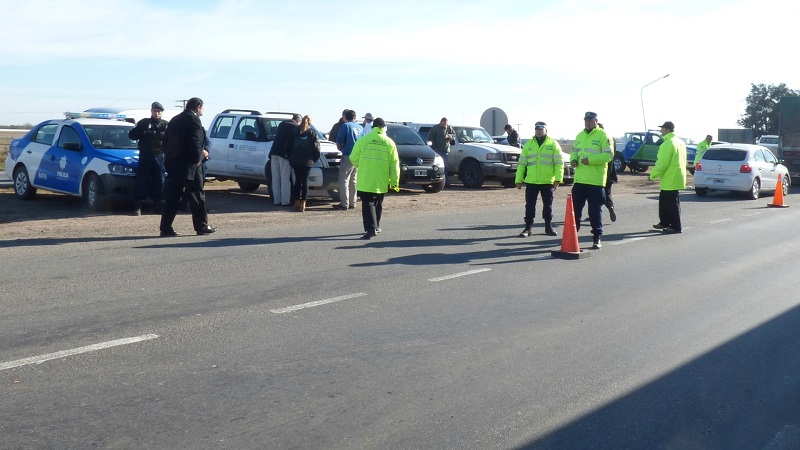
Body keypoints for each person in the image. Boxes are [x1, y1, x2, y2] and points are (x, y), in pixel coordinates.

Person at [159, 97, 216, 237]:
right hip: (190, 165)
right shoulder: (194, 120)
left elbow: (165, 142)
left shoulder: (175, 119)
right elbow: (195, 142)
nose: (202, 110)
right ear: (198, 106)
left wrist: (169, 159)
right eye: (202, 108)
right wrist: (199, 158)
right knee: (196, 195)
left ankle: (165, 227)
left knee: (173, 197)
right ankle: (201, 226)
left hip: (174, 164)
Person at [349, 117, 400, 239]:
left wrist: (361, 165)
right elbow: (394, 164)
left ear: (373, 127)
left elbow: (353, 157)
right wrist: (394, 182)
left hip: (366, 178)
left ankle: (371, 229)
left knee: (367, 204)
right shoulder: (390, 143)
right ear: (383, 128)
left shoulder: (363, 140)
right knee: (378, 203)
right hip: (381, 179)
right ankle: (376, 226)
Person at [571, 111, 613, 249]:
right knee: (575, 210)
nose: (587, 122)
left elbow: (608, 155)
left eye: (590, 120)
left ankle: (597, 237)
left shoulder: (603, 135)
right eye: (586, 120)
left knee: (594, 212)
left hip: (595, 181)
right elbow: (574, 151)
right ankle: (572, 236)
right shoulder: (580, 135)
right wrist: (573, 159)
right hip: (580, 180)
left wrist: (590, 160)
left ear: (596, 121)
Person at [515, 121, 563, 237]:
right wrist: (518, 180)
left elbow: (559, 163)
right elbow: (522, 164)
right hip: (532, 181)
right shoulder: (529, 144)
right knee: (530, 205)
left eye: (541, 129)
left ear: (546, 130)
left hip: (547, 181)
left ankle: (548, 227)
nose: (539, 131)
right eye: (537, 129)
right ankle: (528, 228)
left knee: (548, 205)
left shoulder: (553, 144)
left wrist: (558, 179)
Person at [128, 101, 168, 215]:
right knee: (142, 181)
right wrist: (143, 132)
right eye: (155, 111)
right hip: (145, 156)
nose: (157, 113)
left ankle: (158, 206)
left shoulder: (166, 125)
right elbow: (131, 135)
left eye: (159, 111)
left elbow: (172, 140)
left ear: (162, 112)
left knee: (160, 181)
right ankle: (138, 206)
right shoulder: (144, 123)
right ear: (151, 111)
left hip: (159, 156)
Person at [650, 121, 687, 234]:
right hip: (676, 176)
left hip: (670, 177)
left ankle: (676, 227)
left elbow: (662, 163)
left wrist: (653, 174)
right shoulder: (680, 142)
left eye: (662, 128)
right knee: (664, 201)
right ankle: (664, 222)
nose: (661, 130)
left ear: (667, 130)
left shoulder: (668, 144)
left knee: (671, 204)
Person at [289, 115, 321, 212]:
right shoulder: (312, 133)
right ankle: (303, 204)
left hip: (295, 159)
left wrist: (289, 156)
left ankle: (296, 202)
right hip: (307, 160)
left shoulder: (294, 131)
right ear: (310, 123)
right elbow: (316, 147)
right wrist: (315, 158)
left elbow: (288, 145)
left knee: (297, 181)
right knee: (305, 181)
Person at [334, 109, 363, 210]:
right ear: (355, 117)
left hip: (347, 155)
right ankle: (352, 202)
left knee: (344, 180)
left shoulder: (345, 126)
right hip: (358, 156)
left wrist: (340, 148)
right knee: (354, 180)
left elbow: (339, 140)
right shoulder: (360, 127)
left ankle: (344, 203)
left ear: (345, 117)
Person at [270, 113, 301, 206]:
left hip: (273, 152)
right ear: (298, 120)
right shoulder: (295, 127)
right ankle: (285, 201)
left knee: (275, 178)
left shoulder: (282, 124)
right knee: (285, 178)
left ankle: (276, 200)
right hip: (284, 154)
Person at [598, 123, 618, 222]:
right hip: (611, 170)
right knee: (607, 192)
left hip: (601, 170)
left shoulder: (601, 139)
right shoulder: (611, 139)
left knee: (595, 193)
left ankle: (596, 211)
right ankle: (610, 207)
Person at [427, 117, 456, 184]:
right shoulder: (435, 128)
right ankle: (436, 182)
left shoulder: (449, 128)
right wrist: (433, 146)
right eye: (443, 124)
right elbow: (430, 138)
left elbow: (454, 136)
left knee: (445, 167)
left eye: (445, 124)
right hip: (437, 150)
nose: (444, 125)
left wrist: (449, 136)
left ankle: (445, 182)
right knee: (437, 166)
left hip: (445, 151)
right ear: (441, 122)